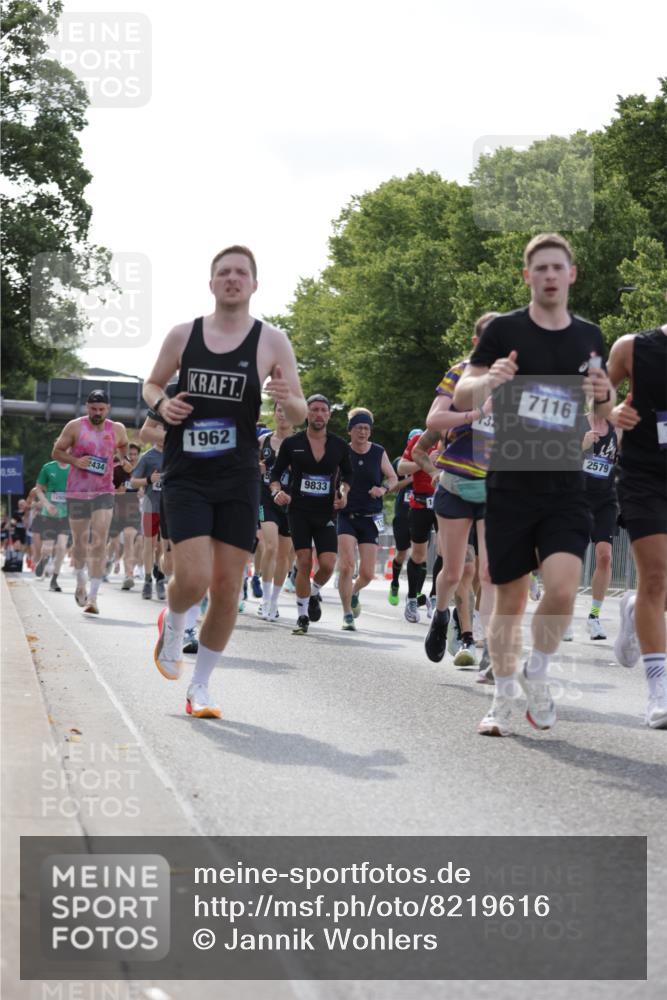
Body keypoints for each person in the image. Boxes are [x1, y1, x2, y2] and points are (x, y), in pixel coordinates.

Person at [454, 233, 614, 736]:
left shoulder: (588, 336)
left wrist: (604, 394)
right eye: (539, 268)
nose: (549, 275)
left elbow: (603, 407)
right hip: (511, 481)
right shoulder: (504, 330)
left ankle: (536, 671)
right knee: (511, 599)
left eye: (557, 267)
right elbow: (462, 393)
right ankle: (502, 698)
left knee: (563, 589)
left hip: (565, 482)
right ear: (527, 276)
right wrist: (489, 381)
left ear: (571, 275)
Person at [143, 245, 306, 718]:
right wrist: (162, 405)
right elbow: (151, 384)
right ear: (211, 283)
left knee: (228, 587)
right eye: (224, 272)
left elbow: (298, 410)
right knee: (193, 578)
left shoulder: (271, 341)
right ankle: (174, 622)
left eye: (241, 273)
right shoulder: (184, 334)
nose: (232, 279)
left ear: (254, 284)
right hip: (187, 474)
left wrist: (286, 399)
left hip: (237, 477)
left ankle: (200, 686)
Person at [418, 311, 498, 669]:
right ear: (476, 342)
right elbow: (434, 420)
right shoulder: (460, 373)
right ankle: (440, 615)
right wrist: (475, 414)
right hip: (456, 483)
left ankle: (490, 649)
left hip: (497, 487)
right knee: (453, 573)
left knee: (489, 573)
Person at [607, 321, 667, 729]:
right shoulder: (633, 348)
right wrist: (609, 411)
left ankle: (633, 608)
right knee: (656, 576)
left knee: (656, 588)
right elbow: (594, 393)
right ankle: (659, 691)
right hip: (644, 476)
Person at [270, 394, 353, 635]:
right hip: (299, 511)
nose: (318, 414)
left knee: (327, 564)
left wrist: (344, 492)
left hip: (326, 512)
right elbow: (275, 474)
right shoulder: (292, 443)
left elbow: (348, 474)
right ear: (307, 413)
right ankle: (302, 616)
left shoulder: (339, 445)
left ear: (329, 415)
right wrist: (276, 492)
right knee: (304, 560)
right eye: (314, 409)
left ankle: (314, 591)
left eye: (323, 410)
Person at [52, 389, 131, 614]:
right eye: (93, 409)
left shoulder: (117, 428)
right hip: (77, 492)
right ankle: (80, 582)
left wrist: (123, 458)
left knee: (99, 541)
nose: (97, 413)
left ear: (108, 409)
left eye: (101, 409)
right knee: (79, 543)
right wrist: (75, 461)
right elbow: (56, 452)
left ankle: (93, 598)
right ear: (87, 407)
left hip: (103, 491)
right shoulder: (75, 426)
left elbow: (124, 444)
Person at [336, 408, 397, 630]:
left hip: (370, 518)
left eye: (366, 428)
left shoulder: (378, 452)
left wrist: (383, 489)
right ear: (350, 430)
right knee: (346, 566)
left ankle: (353, 592)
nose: (362, 432)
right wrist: (338, 494)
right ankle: (347, 614)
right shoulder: (342, 452)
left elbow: (392, 477)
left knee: (368, 574)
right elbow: (332, 478)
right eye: (358, 428)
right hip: (346, 515)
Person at [581, 412, 620, 640]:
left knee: (605, 556)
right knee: (570, 558)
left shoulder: (617, 427)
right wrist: (582, 445)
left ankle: (594, 617)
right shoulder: (578, 422)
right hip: (577, 498)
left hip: (605, 500)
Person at [257, 402, 296, 621]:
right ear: (274, 413)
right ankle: (264, 599)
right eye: (279, 410)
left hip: (290, 502)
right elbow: (248, 465)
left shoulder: (301, 443)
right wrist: (258, 468)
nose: (282, 415)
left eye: (287, 411)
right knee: (270, 546)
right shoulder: (263, 441)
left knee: (284, 554)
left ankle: (274, 600)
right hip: (267, 499)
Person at [131, 440, 166, 600]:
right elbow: (133, 481)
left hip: (169, 507)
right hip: (150, 506)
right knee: (149, 544)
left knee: (163, 546)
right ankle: (147, 580)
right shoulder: (147, 457)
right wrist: (149, 480)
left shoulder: (174, 453)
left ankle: (160, 577)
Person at [32, 458, 71, 592]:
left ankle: (54, 579)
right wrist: (47, 504)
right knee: (47, 548)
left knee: (61, 547)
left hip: (65, 515)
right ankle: (44, 559)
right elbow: (38, 488)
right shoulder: (48, 467)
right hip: (48, 515)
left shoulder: (74, 468)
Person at [387, 450, 416, 605]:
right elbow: (392, 487)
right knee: (401, 553)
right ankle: (395, 583)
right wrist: (412, 478)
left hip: (421, 513)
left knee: (420, 555)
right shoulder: (400, 462)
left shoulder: (429, 461)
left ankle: (415, 593)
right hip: (402, 515)